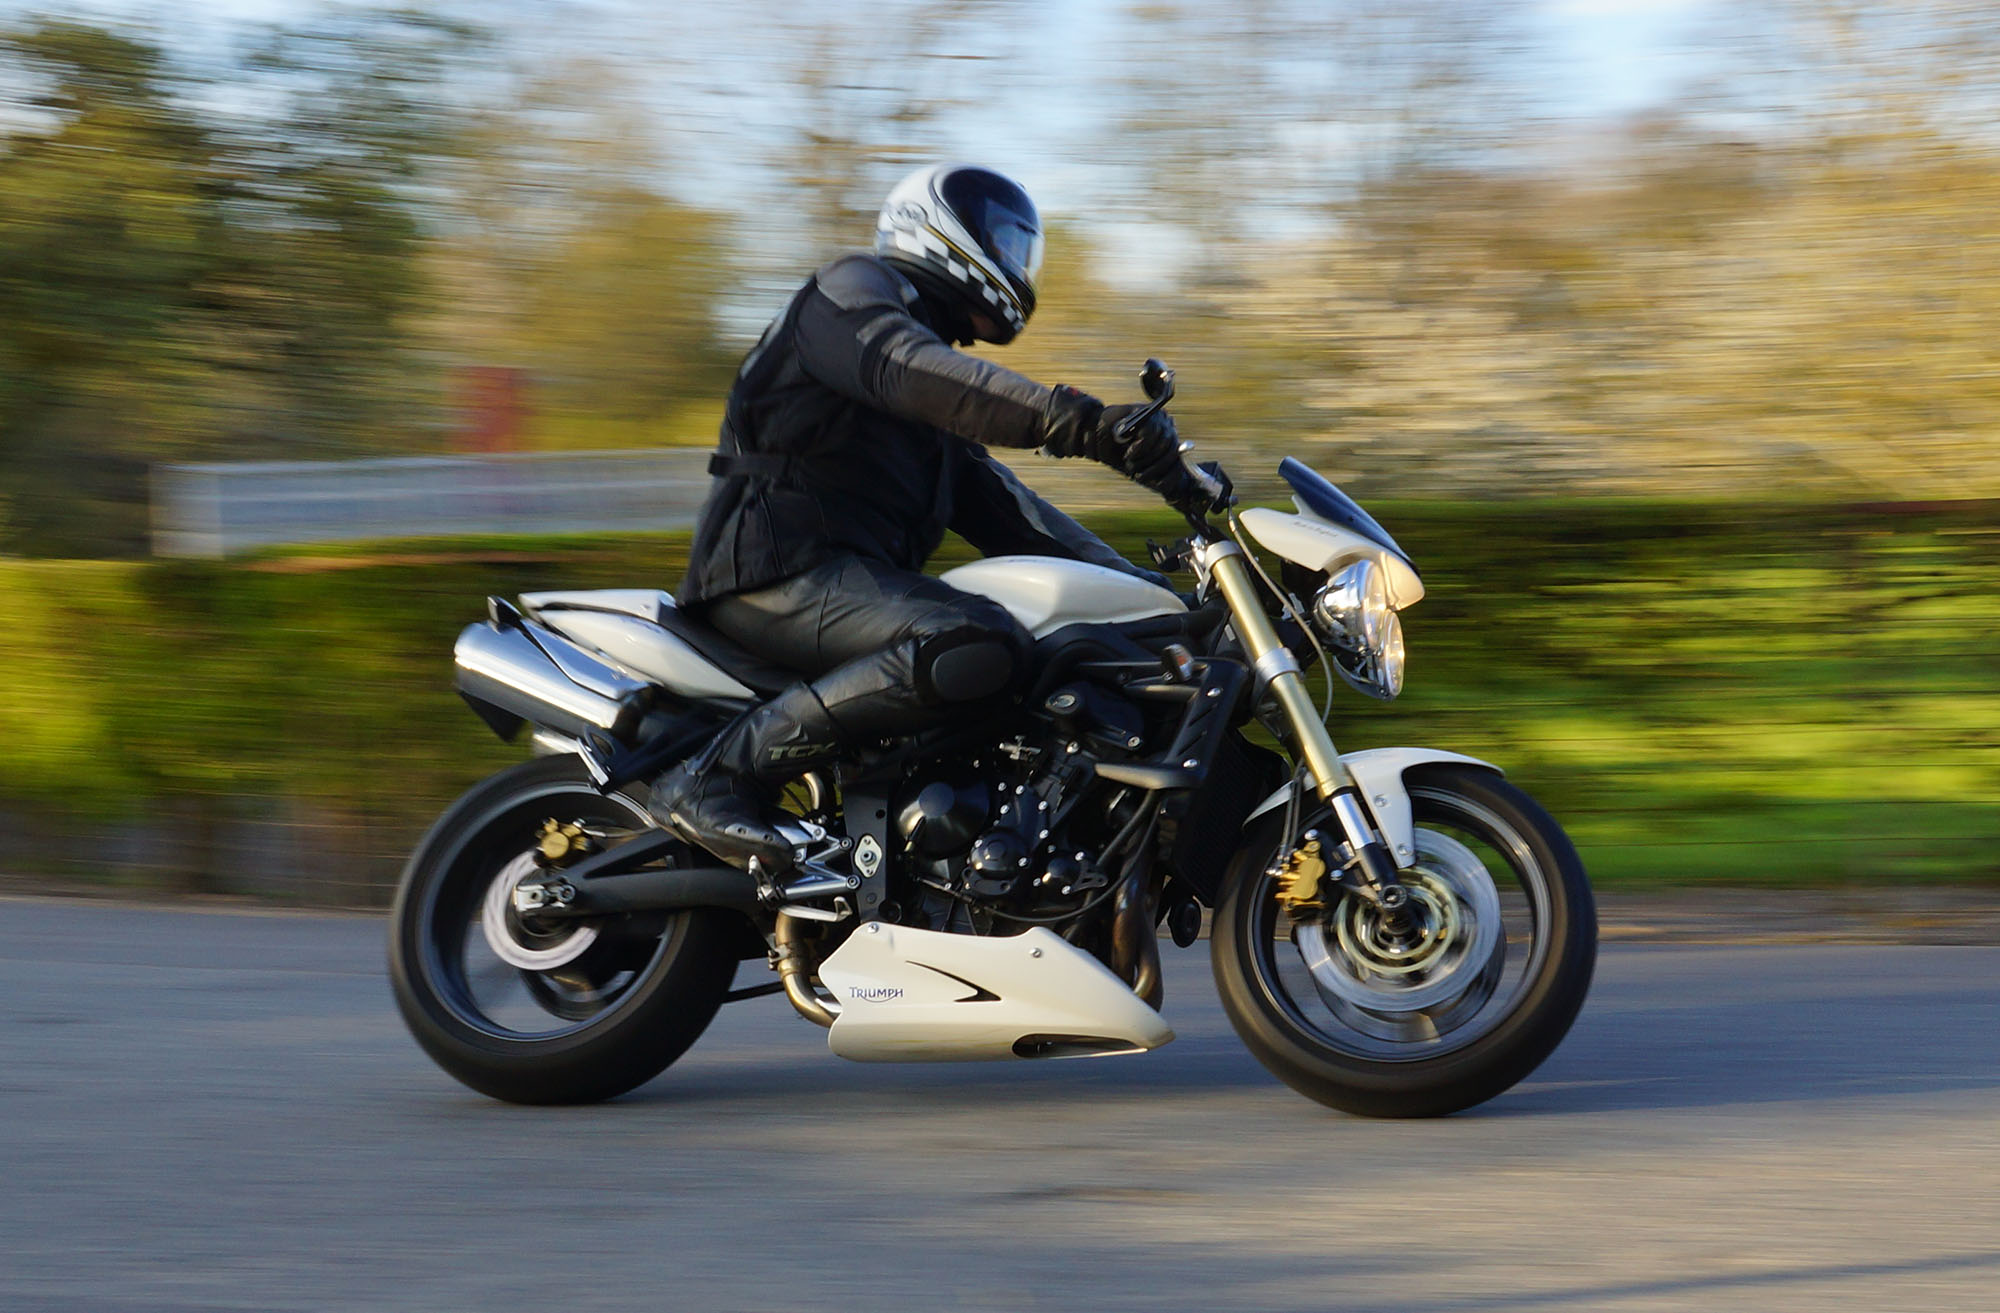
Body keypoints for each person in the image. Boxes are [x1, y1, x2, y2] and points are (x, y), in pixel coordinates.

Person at [651, 162, 1199, 874]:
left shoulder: (930, 408)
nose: (1015, 264)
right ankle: (715, 777)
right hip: (771, 572)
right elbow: (907, 366)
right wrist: (1080, 420)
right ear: (940, 229)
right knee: (971, 638)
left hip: (840, 583)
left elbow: (1017, 518)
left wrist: (1157, 602)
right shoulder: (852, 294)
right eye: (1003, 241)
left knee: (1053, 651)